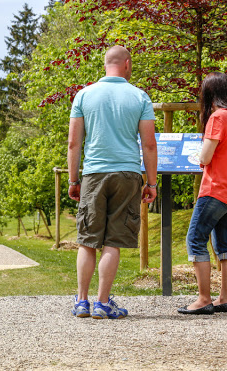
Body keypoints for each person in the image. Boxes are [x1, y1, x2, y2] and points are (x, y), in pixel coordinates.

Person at [68, 45, 158, 319]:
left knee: (87, 239)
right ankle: (102, 302)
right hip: (127, 174)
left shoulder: (84, 95)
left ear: (105, 64)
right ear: (127, 64)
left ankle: (82, 301)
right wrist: (151, 183)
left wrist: (74, 179)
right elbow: (149, 145)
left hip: (94, 173)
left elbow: (74, 142)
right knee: (113, 240)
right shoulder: (140, 97)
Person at [178, 72, 227, 315]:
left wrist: (197, 156)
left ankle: (203, 299)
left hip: (215, 189)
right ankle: (224, 299)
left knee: (195, 239)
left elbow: (206, 156)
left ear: (209, 93)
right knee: (225, 242)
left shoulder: (217, 117)